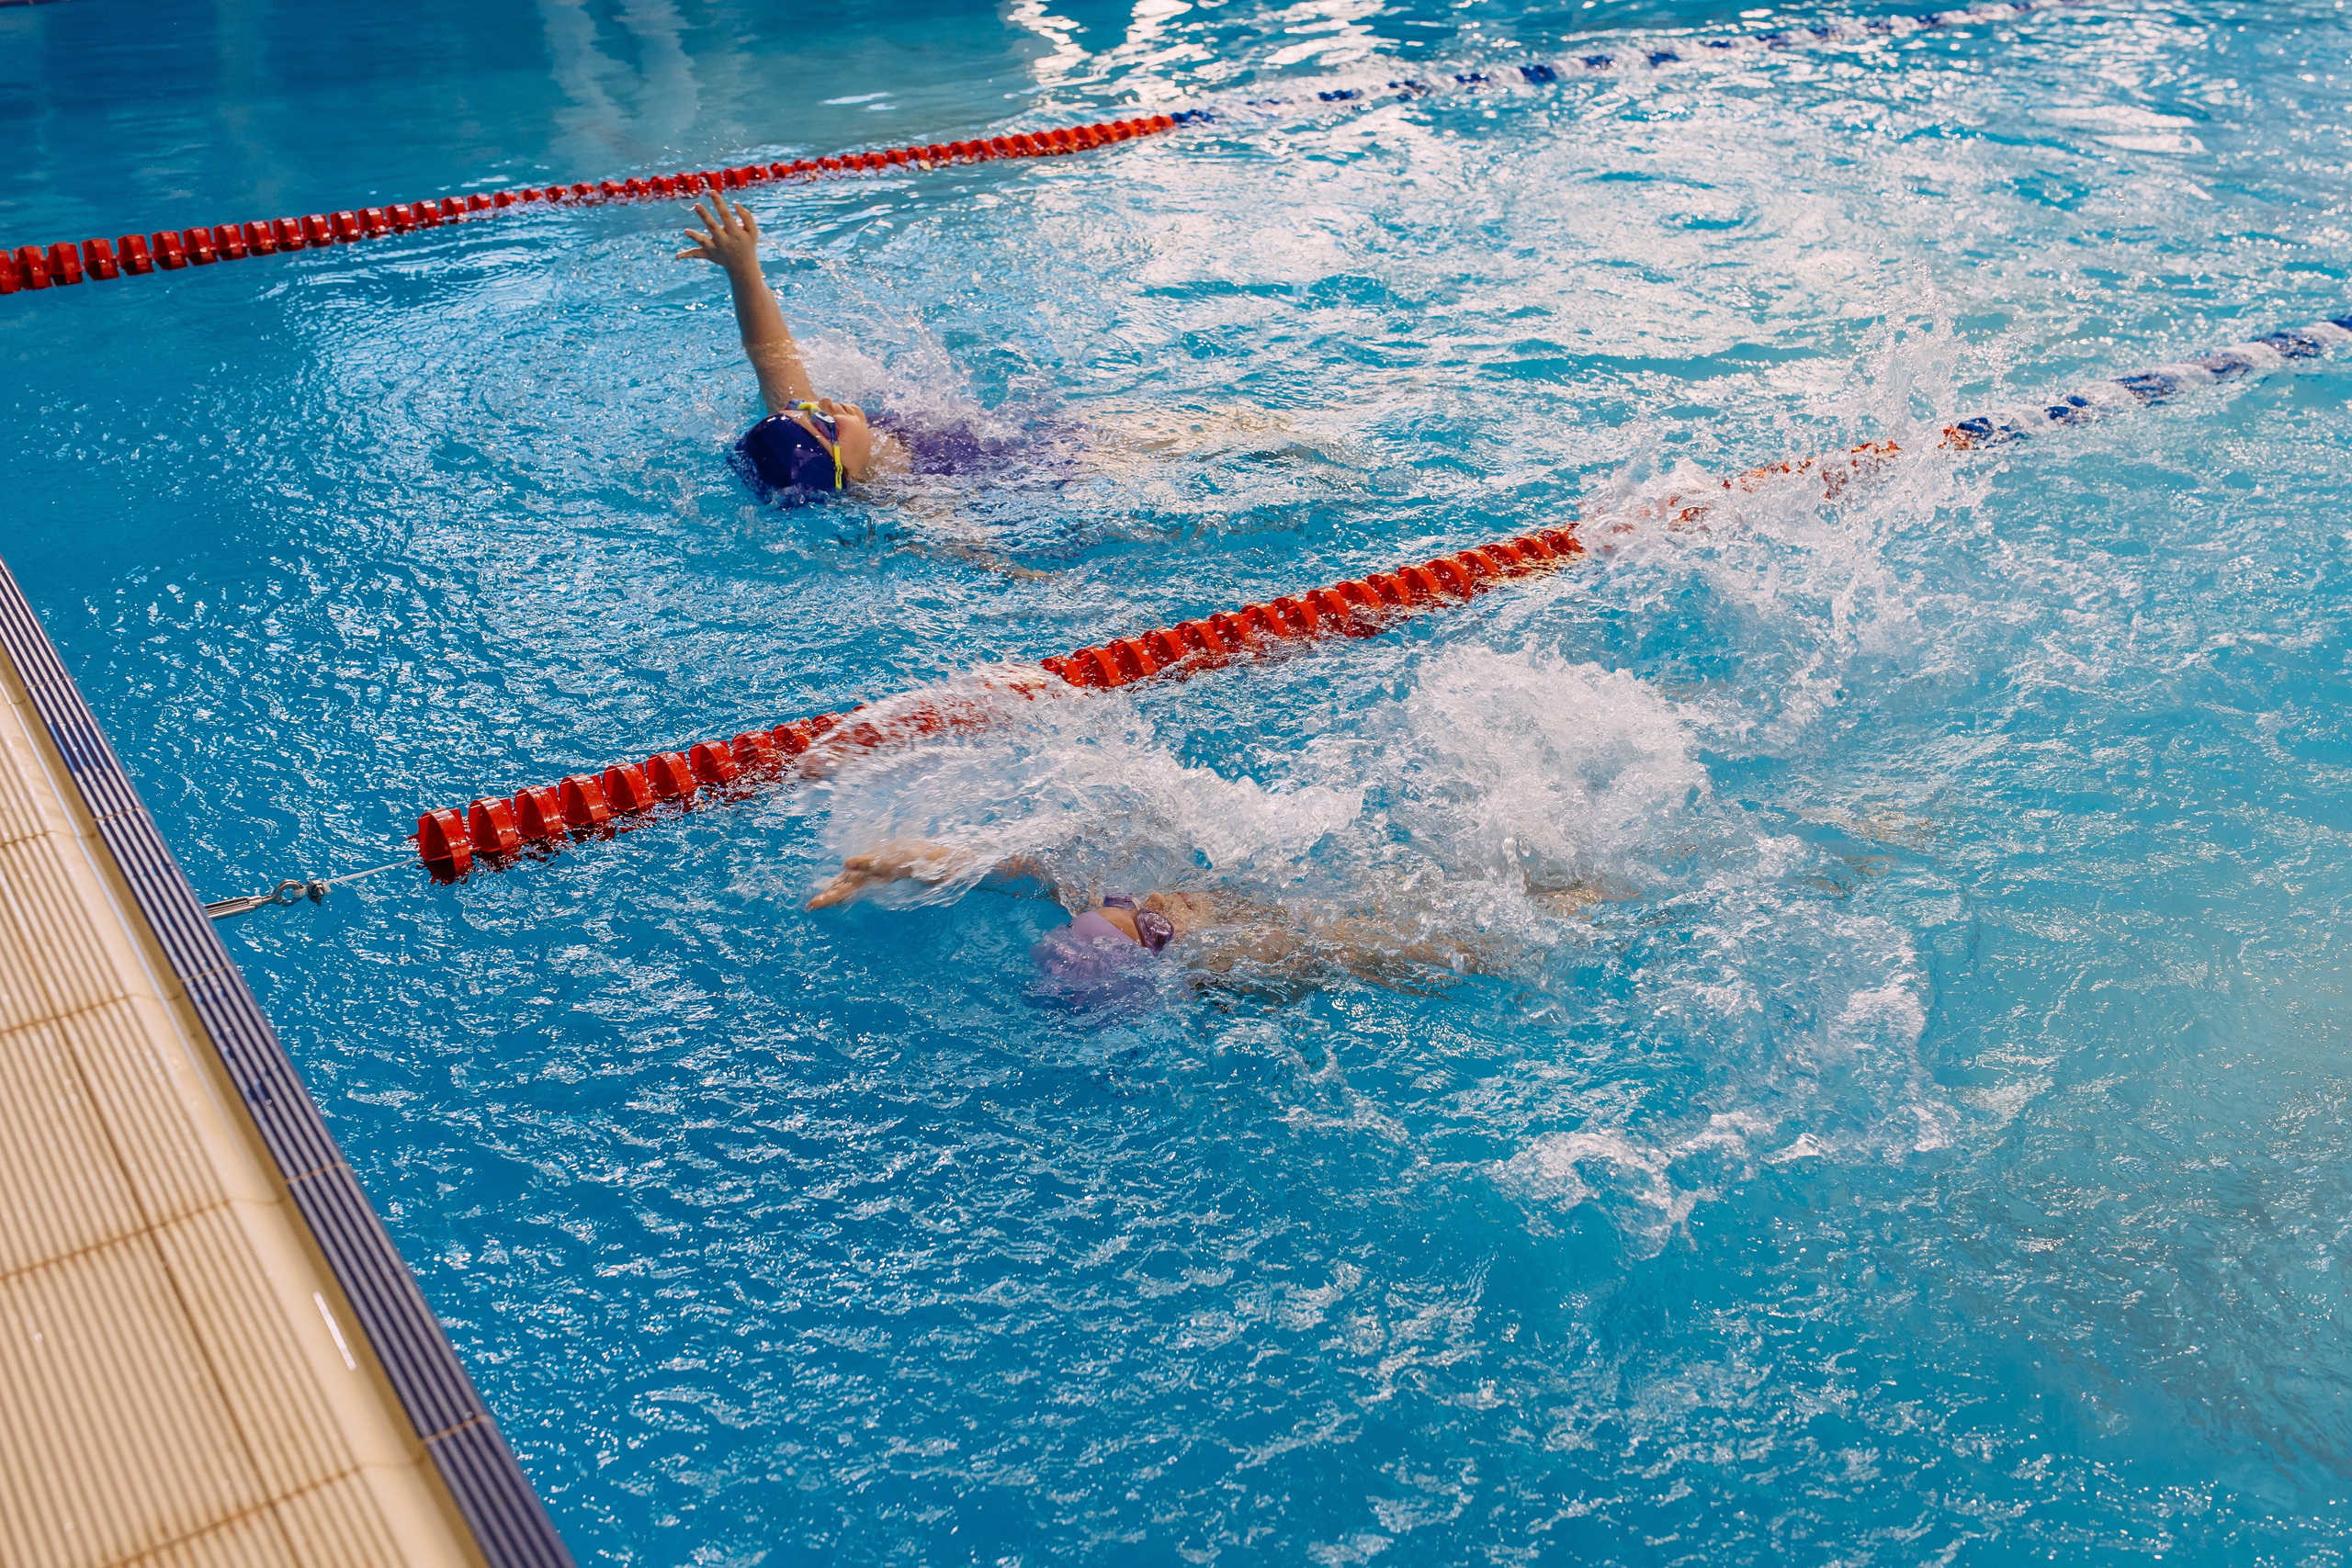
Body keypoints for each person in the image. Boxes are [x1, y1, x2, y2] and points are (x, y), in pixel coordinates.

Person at [807, 836, 1614, 1003]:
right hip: (1351, 919)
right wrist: (1533, 948)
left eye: (1121, 904)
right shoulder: (1247, 961)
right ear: (1170, 956)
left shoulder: (1109, 901)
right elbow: (1402, 953)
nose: (1156, 903)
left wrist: (895, 863)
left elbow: (1012, 865)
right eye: (1150, 925)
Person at [678, 190, 905, 498]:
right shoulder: (913, 505)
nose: (822, 403)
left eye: (799, 406)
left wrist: (742, 268)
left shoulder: (808, 430)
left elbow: (771, 354)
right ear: (847, 474)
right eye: (827, 426)